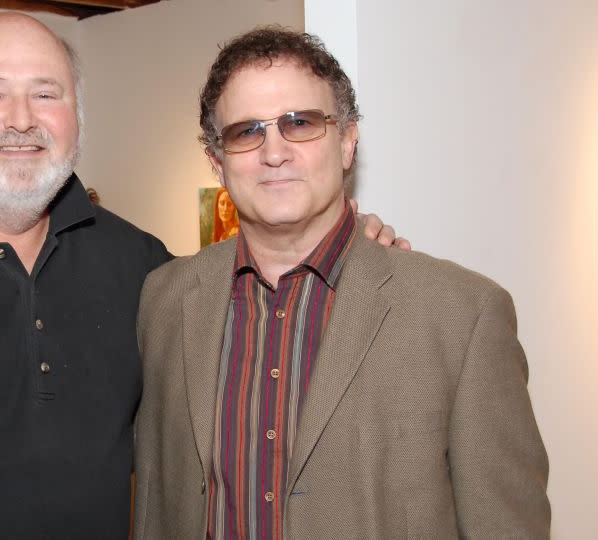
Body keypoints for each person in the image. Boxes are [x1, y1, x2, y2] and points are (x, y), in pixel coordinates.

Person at [0, 14, 403, 539]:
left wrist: (343, 244)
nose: (22, 119)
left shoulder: (144, 271)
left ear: (76, 117)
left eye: (46, 94)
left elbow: (261, 333)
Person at [133, 27, 550, 539]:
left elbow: (505, 526)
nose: (274, 152)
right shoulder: (165, 298)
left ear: (348, 141)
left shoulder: (461, 315)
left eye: (300, 123)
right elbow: (155, 503)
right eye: (246, 132)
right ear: (217, 163)